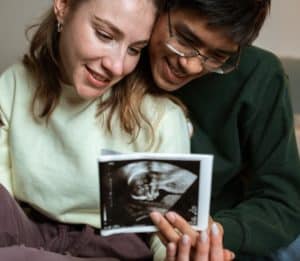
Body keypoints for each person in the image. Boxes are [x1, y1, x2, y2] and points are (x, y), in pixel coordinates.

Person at [0, 0, 192, 260]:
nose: (117, 66)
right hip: (29, 232)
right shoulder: (14, 84)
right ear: (64, 6)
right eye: (105, 35)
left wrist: (179, 253)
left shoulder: (161, 118)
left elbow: (166, 232)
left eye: (135, 49)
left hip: (110, 249)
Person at [147, 0, 300, 260]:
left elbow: (283, 201)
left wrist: (214, 233)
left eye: (218, 56)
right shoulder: (118, 54)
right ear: (160, 7)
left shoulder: (260, 75)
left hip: (225, 233)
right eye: (185, 39)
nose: (192, 66)